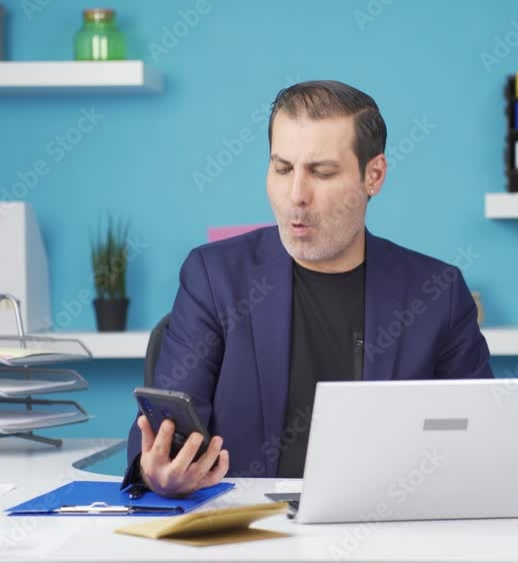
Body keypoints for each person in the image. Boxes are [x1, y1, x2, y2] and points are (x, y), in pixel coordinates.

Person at [123, 80, 493, 498]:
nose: (296, 195)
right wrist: (157, 471)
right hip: (249, 525)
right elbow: (161, 431)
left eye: (322, 172)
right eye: (283, 169)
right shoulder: (213, 277)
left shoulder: (437, 294)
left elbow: (483, 444)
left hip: (386, 521)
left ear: (373, 175)